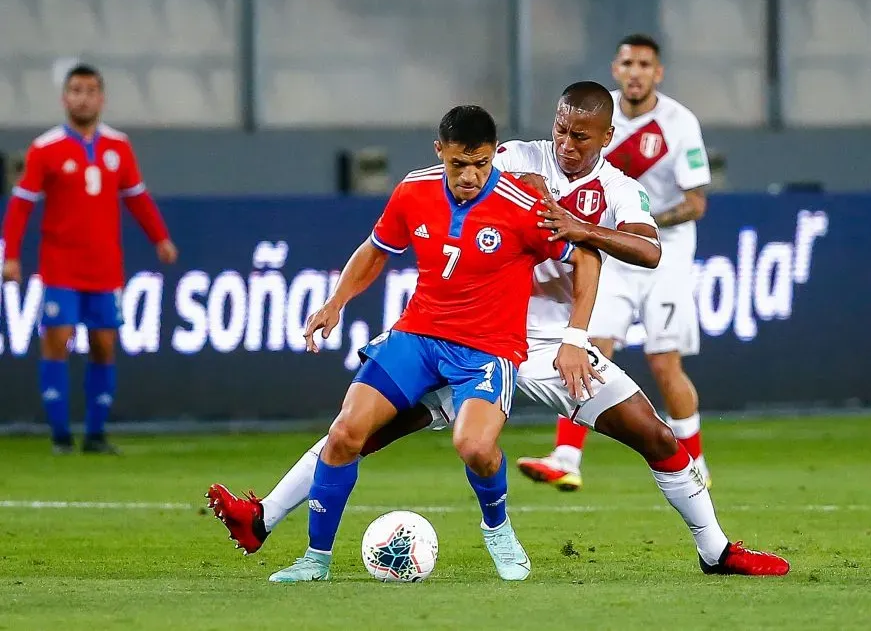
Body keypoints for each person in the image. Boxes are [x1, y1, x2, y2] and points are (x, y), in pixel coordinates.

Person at [208, 84, 789, 578]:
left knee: (656, 438)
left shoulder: (617, 189)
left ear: (604, 139)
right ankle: (263, 518)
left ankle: (715, 552)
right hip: (479, 338)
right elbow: (457, 177)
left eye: (581, 136)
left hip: (561, 346)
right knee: (359, 434)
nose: (566, 142)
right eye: (561, 129)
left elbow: (647, 248)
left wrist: (581, 258)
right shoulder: (514, 159)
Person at [262, 105, 603, 583]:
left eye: (480, 164)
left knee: (474, 447)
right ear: (439, 151)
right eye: (458, 164)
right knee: (343, 434)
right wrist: (336, 301)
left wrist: (574, 335)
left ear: (493, 156)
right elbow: (376, 248)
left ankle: (498, 527)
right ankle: (314, 560)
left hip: (488, 348)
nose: (469, 176)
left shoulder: (522, 205)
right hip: (419, 335)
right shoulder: (414, 190)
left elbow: (586, 257)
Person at [518, 34, 713, 490]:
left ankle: (696, 465)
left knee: (664, 361)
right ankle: (566, 457)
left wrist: (637, 223)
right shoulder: (592, 113)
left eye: (645, 64)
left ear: (657, 73)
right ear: (616, 68)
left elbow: (695, 202)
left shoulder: (679, 123)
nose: (636, 72)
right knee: (590, 345)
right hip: (603, 252)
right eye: (628, 63)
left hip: (662, 254)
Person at [0, 64, 177, 454]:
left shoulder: (118, 146)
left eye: (91, 90)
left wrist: (160, 238)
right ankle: (60, 436)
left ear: (102, 98)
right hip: (61, 264)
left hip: (104, 267)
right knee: (57, 339)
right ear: (65, 98)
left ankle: (95, 435)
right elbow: (21, 205)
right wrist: (9, 254)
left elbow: (136, 197)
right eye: (76, 90)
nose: (84, 97)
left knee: (103, 344)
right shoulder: (45, 148)